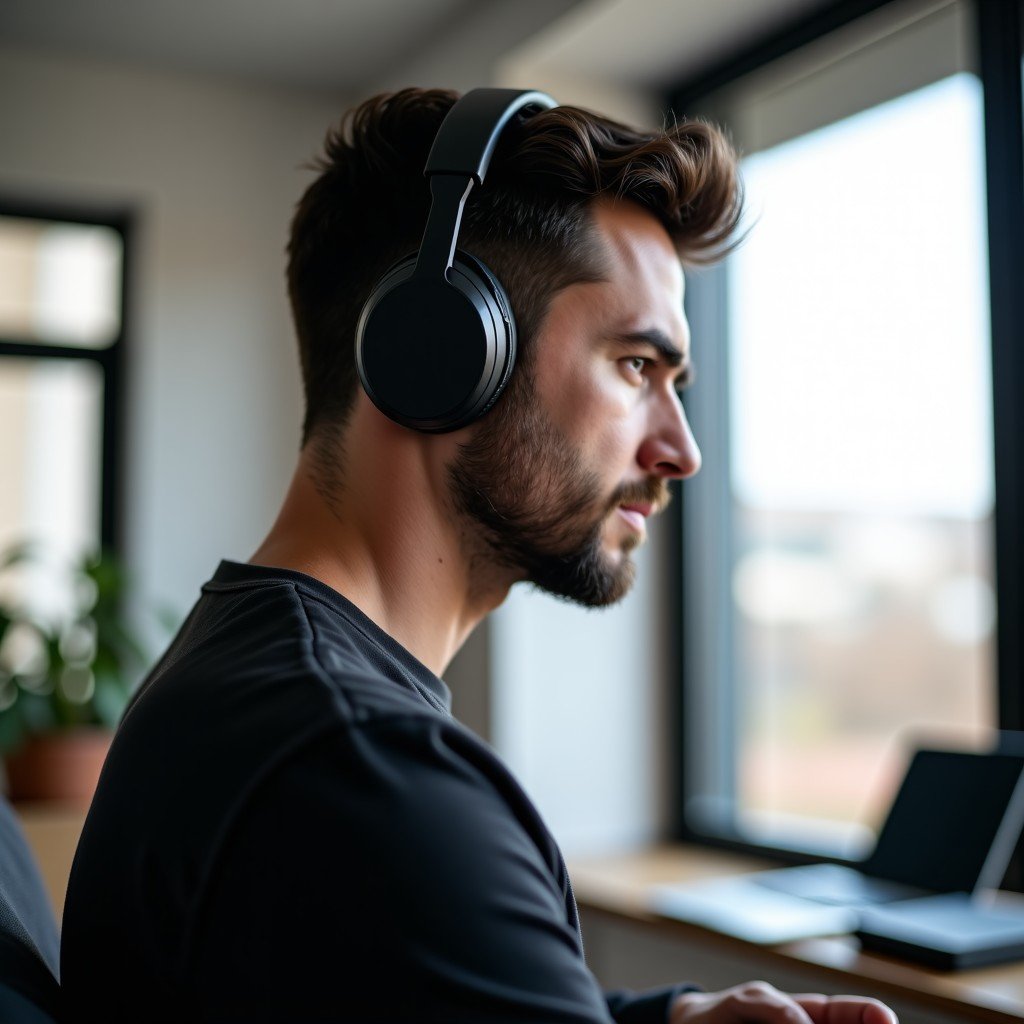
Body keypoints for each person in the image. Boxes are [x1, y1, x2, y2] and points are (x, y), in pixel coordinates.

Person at [61, 88, 897, 1024]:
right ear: (442, 350)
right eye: (635, 366)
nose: (682, 450)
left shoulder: (260, 681)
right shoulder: (372, 775)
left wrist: (665, 1019)